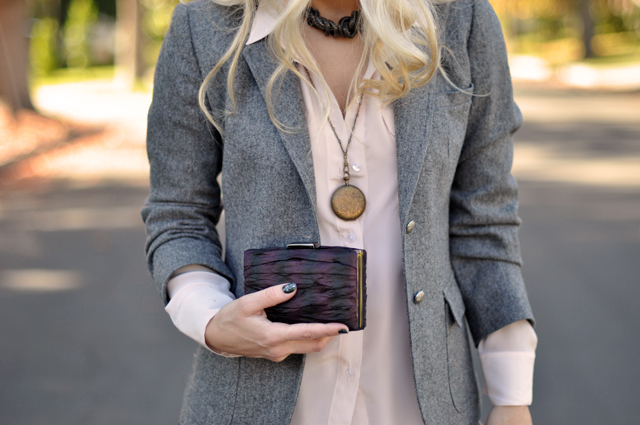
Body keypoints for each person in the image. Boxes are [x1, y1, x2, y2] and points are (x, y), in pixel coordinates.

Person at [142, 0, 538, 424]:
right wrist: (210, 317)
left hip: (419, 406)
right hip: (255, 403)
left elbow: (484, 218)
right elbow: (177, 213)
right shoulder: (204, 24)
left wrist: (511, 396)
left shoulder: (462, 18)